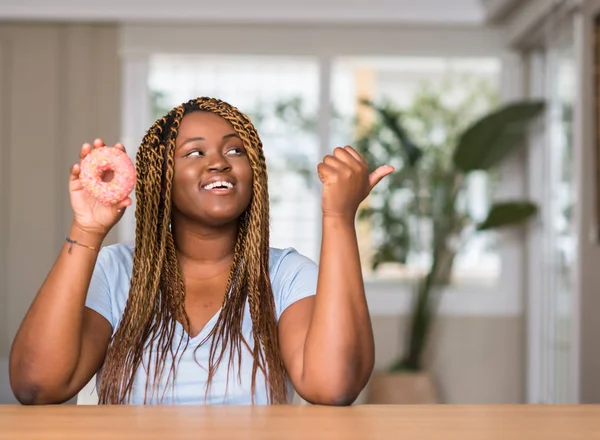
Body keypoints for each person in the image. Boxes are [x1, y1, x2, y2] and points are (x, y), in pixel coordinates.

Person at [9, 97, 394, 405]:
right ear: (161, 179)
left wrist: (340, 217)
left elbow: (333, 386)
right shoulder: (116, 270)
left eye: (236, 151)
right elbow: (36, 385)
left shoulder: (286, 274)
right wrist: (87, 229)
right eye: (194, 153)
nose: (218, 163)